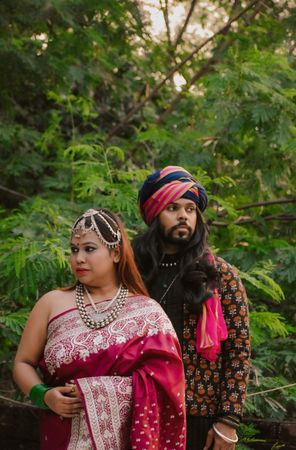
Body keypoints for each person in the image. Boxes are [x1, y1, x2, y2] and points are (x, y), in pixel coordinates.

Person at [13, 208, 186, 450]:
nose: (78, 258)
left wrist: (94, 392)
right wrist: (44, 395)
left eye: (89, 249)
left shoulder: (148, 313)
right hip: (60, 435)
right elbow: (22, 363)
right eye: (74, 249)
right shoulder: (51, 304)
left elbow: (166, 386)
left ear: (115, 253)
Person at [132, 166, 250, 450]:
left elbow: (238, 351)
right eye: (172, 207)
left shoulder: (219, 275)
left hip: (200, 417)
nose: (183, 215)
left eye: (190, 208)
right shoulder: (132, 272)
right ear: (154, 213)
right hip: (139, 409)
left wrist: (228, 421)